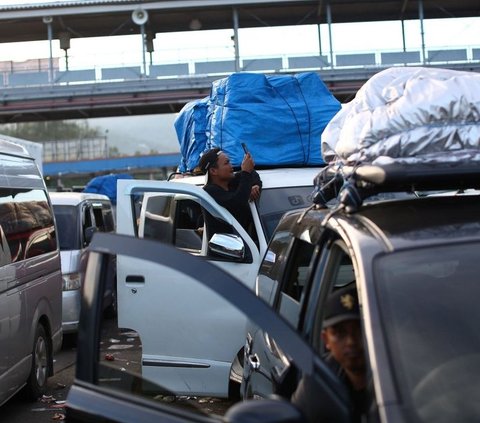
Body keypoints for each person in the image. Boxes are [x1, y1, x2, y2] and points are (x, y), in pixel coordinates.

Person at [291, 284, 368, 423]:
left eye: (359, 330)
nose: (351, 341)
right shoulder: (317, 386)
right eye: (340, 333)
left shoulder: (402, 375)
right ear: (326, 339)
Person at [198, 147, 262, 241]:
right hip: (227, 250)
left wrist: (256, 185)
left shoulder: (231, 182)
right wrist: (246, 173)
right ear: (213, 171)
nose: (231, 166)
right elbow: (237, 202)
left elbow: (252, 174)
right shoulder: (209, 192)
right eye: (226, 163)